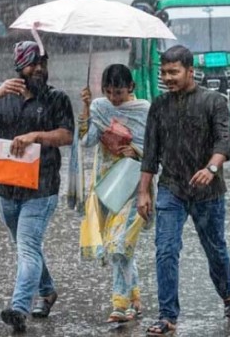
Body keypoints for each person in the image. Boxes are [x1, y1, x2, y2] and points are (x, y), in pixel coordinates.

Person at [0, 41, 74, 332]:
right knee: (27, 247)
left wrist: (35, 136)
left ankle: (19, 307)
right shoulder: (1, 94)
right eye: (32, 64)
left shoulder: (56, 98)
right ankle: (48, 291)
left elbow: (66, 136)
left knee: (26, 247)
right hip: (6, 187)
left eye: (43, 64)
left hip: (42, 188)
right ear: (19, 66)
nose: (39, 69)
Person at [138, 45, 230, 336]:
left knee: (215, 249)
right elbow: (150, 154)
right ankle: (167, 315)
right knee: (166, 250)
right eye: (164, 73)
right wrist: (143, 192)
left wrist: (211, 168)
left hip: (208, 191)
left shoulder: (214, 102)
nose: (168, 78)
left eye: (174, 72)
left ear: (190, 71)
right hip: (172, 188)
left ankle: (228, 295)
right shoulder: (158, 106)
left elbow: (224, 141)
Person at [78, 64, 151, 323]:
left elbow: (155, 151)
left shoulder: (144, 110)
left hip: (134, 187)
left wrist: (137, 152)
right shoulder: (100, 107)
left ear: (131, 87)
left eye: (118, 92)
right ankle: (135, 299)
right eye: (108, 92)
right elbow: (86, 141)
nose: (113, 98)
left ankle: (119, 304)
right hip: (107, 186)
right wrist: (87, 108)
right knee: (119, 248)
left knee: (120, 245)